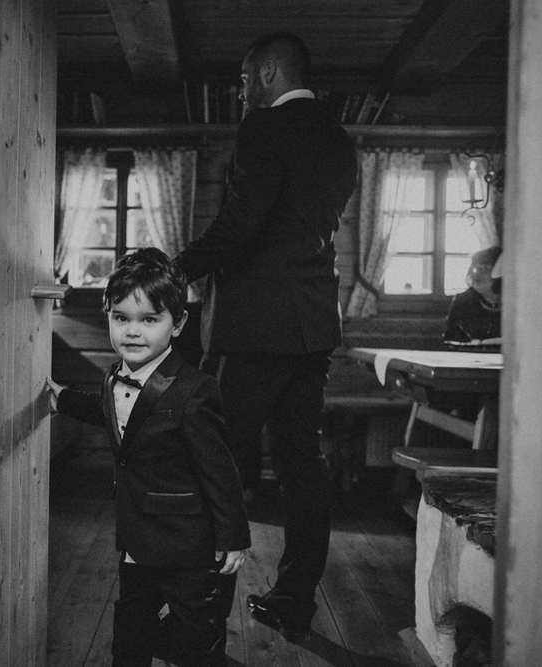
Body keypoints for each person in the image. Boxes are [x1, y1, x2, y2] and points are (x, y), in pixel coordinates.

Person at [173, 31, 358, 644]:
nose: (242, 88)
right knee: (303, 466)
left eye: (246, 76)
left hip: (257, 327)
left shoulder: (264, 128)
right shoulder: (338, 138)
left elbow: (242, 225)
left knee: (215, 461)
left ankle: (201, 623)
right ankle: (293, 604)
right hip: (313, 326)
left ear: (272, 72)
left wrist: (176, 268)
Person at [45, 248, 251, 667]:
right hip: (137, 540)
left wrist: (233, 536)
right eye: (121, 318)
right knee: (130, 635)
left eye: (149, 320)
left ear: (178, 323)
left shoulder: (195, 391)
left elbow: (219, 470)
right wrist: (62, 398)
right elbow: (110, 412)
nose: (133, 332)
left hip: (190, 548)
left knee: (197, 642)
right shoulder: (113, 376)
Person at [444, 246, 503, 347]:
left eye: (485, 268)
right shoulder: (462, 302)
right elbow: (452, 340)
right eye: (475, 268)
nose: (476, 274)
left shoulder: (519, 302)